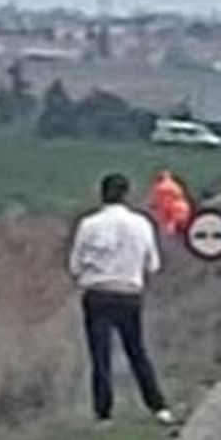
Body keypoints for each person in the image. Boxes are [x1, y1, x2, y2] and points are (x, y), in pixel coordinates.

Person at [69, 173, 175, 426]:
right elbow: (153, 265)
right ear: (127, 194)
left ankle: (103, 414)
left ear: (101, 194)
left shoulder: (88, 225)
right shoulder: (141, 224)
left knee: (100, 355)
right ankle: (158, 407)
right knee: (136, 351)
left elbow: (74, 266)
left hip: (98, 294)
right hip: (129, 294)